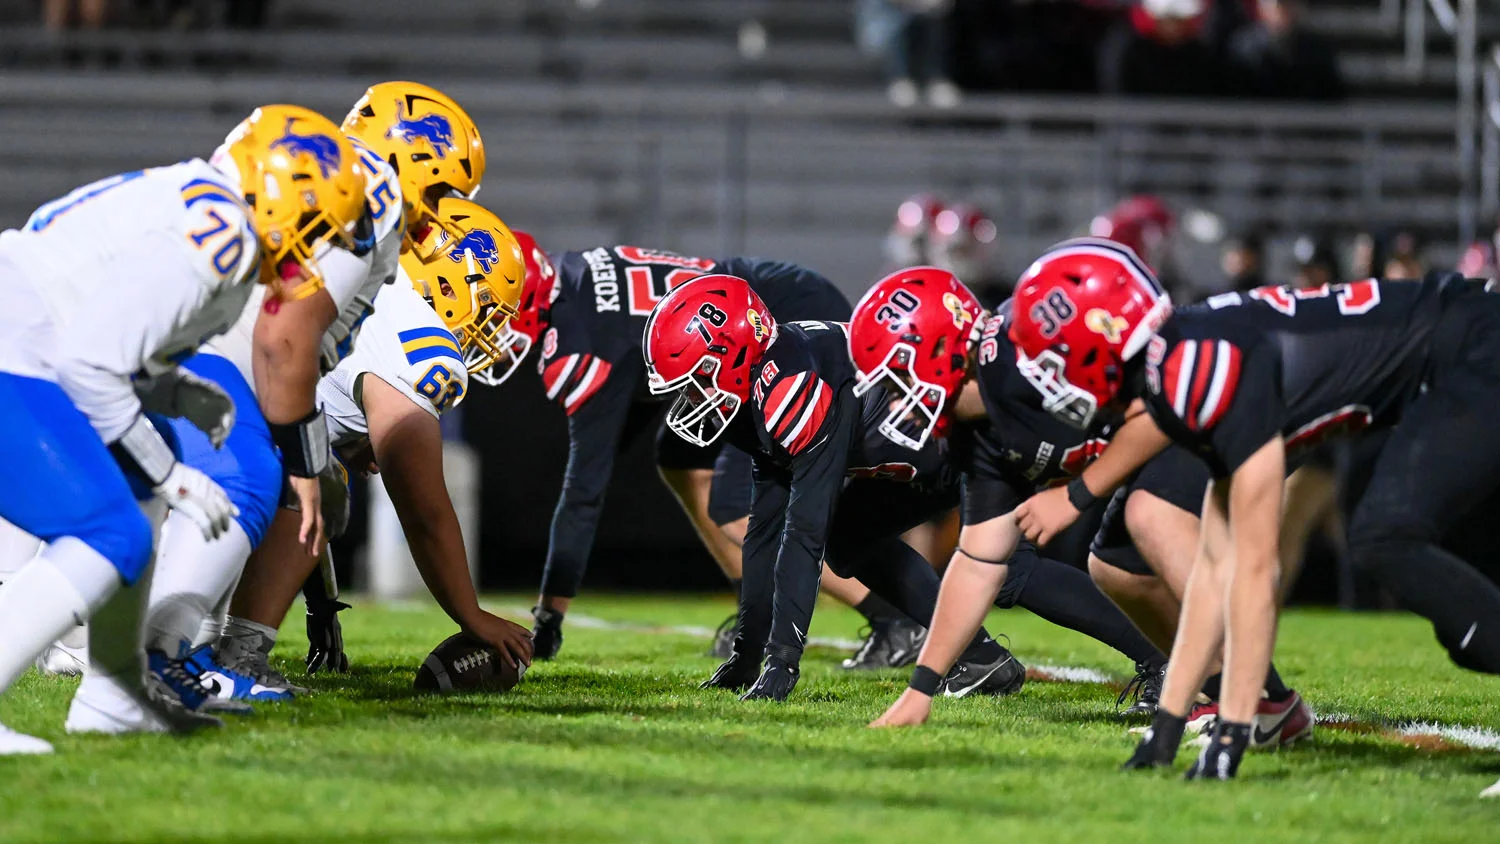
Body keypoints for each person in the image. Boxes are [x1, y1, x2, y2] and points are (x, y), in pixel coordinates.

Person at [1007, 237, 1500, 779]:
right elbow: (1214, 572)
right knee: (1462, 631)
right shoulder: (1177, 367)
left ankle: (1259, 715)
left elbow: (1257, 572)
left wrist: (1234, 735)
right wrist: (1167, 726)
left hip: (1473, 348)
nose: (1048, 376)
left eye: (1052, 356)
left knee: (1387, 534)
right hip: (1450, 361)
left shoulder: (1202, 372)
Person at [0, 101, 364, 753]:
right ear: (278, 193)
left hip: (34, 348)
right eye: (314, 227)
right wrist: (178, 480)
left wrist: (182, 399)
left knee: (137, 484)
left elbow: (120, 344)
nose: (311, 251)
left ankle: (112, 695)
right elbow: (90, 362)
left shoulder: (212, 217)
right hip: (20, 352)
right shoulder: (219, 232)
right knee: (107, 527)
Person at [846, 267, 1304, 728]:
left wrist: (1077, 495)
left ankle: (1260, 699)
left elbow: (1154, 410)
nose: (895, 400)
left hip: (1228, 384)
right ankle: (1220, 688)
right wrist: (920, 689)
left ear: (942, 350)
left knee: (1152, 520)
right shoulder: (979, 432)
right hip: (1182, 417)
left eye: (897, 379)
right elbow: (979, 562)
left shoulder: (1028, 355)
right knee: (1115, 565)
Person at [483, 243, 916, 665]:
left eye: (495, 310)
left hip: (771, 326)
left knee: (735, 505)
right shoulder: (566, 274)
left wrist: (549, 617)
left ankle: (893, 619)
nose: (491, 326)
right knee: (678, 457)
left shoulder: (582, 342)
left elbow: (584, 491)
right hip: (765, 307)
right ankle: (756, 610)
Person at [111, 103, 398, 718]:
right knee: (246, 475)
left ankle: (125, 652)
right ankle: (156, 656)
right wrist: (299, 457)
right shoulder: (357, 200)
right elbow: (280, 338)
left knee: (117, 510)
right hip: (75, 347)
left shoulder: (195, 190)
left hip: (113, 346)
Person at [645, 274, 1025, 701]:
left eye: (699, 380)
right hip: (906, 451)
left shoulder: (789, 387)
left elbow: (804, 535)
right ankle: (980, 656)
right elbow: (764, 535)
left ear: (732, 353)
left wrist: (781, 663)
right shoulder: (760, 388)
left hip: (945, 443)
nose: (693, 401)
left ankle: (1083, 642)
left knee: (1019, 573)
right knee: (847, 541)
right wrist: (747, 656)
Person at [219, 199, 533, 683]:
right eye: (487, 308)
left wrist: (321, 609)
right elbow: (424, 510)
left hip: (181, 400)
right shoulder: (419, 340)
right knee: (309, 478)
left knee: (313, 473)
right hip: (213, 433)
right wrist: (471, 614)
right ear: (448, 282)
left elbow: (306, 465)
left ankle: (143, 636)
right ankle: (218, 656)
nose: (483, 331)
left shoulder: (369, 281)